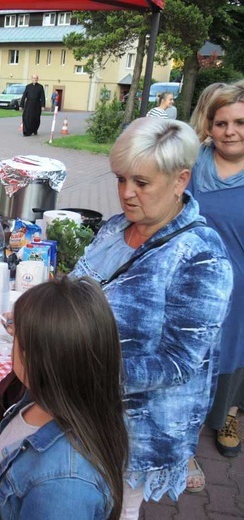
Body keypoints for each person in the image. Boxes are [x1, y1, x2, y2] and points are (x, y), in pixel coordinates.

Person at [69, 117, 233, 518]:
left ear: (180, 180)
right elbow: (78, 286)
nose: (126, 194)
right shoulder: (114, 229)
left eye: (141, 183)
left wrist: (84, 367)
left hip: (138, 430)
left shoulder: (201, 255)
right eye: (120, 179)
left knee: (116, 509)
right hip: (86, 407)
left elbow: (178, 363)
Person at [0, 277, 128, 520]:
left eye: (16, 336)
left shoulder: (65, 484)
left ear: (34, 360)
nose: (11, 338)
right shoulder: (54, 398)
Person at [189, 83, 244, 484]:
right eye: (221, 122)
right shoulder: (190, 165)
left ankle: (229, 415)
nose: (230, 131)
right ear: (208, 125)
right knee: (191, 356)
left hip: (241, 289)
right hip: (195, 283)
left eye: (240, 122)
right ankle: (184, 439)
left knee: (236, 353)